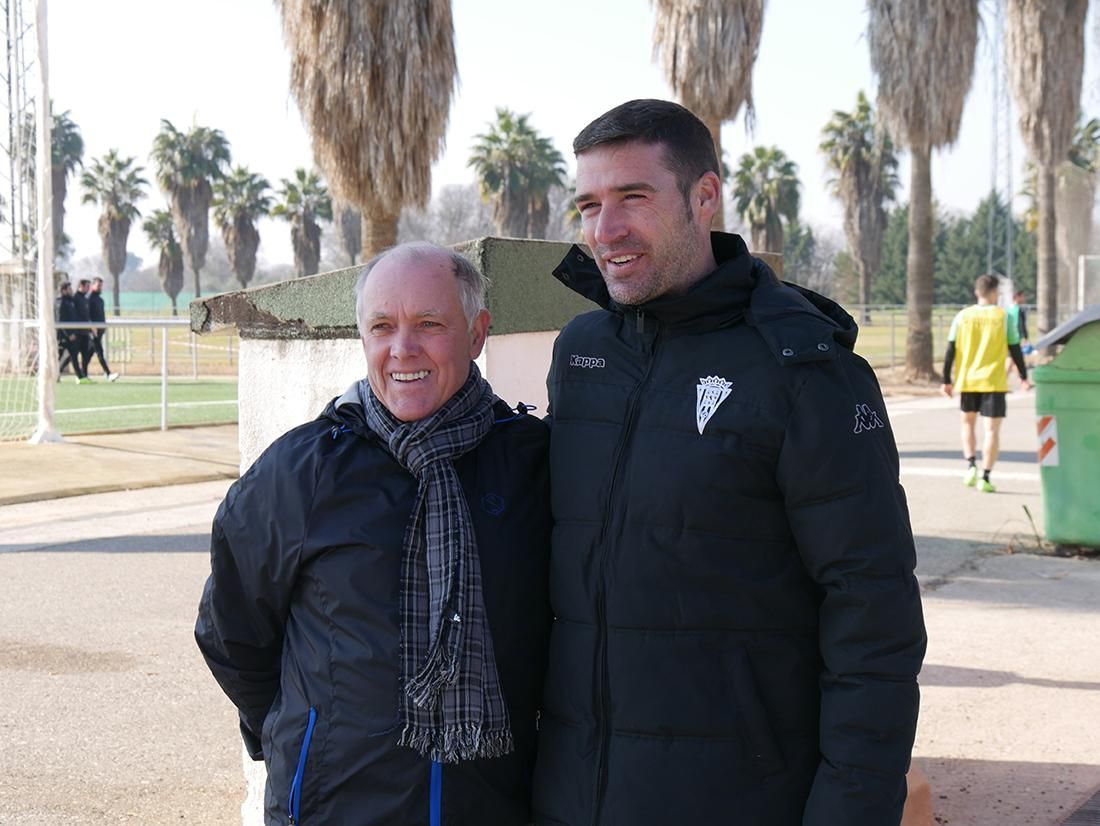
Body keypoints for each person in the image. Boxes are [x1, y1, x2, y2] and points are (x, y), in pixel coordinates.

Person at [533, 100, 926, 826]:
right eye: (589, 205)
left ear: (704, 197)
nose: (604, 230)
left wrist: (852, 810)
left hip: (743, 798)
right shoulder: (583, 350)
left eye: (633, 199)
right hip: (572, 797)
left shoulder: (806, 371)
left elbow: (874, 616)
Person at [195, 242, 551, 825]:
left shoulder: (534, 465)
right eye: (381, 326)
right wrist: (303, 733)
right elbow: (233, 631)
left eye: (429, 324)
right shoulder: (303, 471)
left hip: (493, 805)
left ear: (478, 333)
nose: (401, 349)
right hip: (336, 808)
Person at [942, 273, 1030, 493]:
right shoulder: (1004, 317)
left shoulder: (962, 316)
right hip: (993, 381)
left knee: (967, 424)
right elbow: (1015, 349)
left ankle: (971, 464)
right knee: (991, 430)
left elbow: (950, 350)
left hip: (968, 380)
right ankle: (986, 476)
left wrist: (946, 380)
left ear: (976, 292)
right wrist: (1023, 376)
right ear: (993, 293)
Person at [83, 277, 119, 381]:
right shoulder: (89, 299)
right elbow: (87, 315)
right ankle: (108, 374)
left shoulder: (100, 300)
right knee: (99, 352)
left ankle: (82, 373)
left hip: (100, 330)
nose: (100, 288)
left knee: (89, 354)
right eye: (98, 285)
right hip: (93, 331)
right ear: (93, 285)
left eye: (101, 286)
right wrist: (91, 327)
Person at [55, 281, 89, 383]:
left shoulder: (70, 301)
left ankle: (80, 377)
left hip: (72, 334)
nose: (71, 291)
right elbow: (60, 320)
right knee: (60, 356)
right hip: (64, 336)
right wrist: (69, 334)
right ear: (64, 290)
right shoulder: (60, 302)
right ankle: (53, 375)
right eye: (69, 289)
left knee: (73, 356)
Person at [71, 278, 93, 381]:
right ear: (81, 286)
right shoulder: (75, 298)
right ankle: (77, 375)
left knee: (85, 354)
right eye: (87, 286)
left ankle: (84, 374)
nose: (88, 288)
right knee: (72, 355)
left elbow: (87, 315)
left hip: (85, 332)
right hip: (77, 332)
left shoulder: (85, 299)